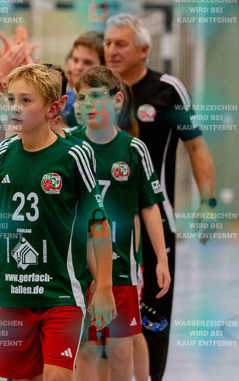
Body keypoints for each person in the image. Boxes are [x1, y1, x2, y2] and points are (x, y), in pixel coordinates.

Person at [0, 63, 116, 381]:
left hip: (62, 294)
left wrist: (104, 286)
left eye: (26, 100)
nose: (15, 108)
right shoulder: (1, 155)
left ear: (53, 109)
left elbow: (98, 223)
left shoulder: (74, 156)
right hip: (14, 297)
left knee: (57, 376)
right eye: (11, 100)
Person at [104, 13, 215, 381]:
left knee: (152, 312)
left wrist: (207, 203)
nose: (112, 51)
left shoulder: (167, 90)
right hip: (104, 225)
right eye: (108, 43)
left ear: (144, 50)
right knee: (105, 314)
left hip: (156, 221)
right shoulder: (98, 92)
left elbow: (197, 147)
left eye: (121, 44)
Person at [70, 66, 171, 381]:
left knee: (121, 350)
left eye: (95, 96)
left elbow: (149, 207)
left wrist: (161, 258)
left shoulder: (133, 150)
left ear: (117, 101)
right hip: (77, 270)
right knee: (87, 349)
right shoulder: (68, 145)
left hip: (120, 269)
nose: (87, 104)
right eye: (81, 97)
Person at [63, 31, 105, 127]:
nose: (78, 67)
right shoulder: (67, 99)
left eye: (87, 62)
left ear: (104, 66)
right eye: (75, 60)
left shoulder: (107, 106)